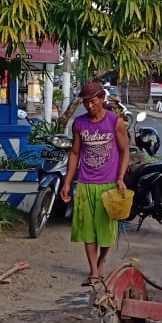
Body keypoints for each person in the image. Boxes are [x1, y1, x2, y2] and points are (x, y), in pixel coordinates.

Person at [61, 81, 130, 285]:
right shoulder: (79, 124)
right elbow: (75, 153)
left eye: (93, 101)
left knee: (106, 230)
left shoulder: (115, 122)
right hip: (85, 183)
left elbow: (125, 151)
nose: (89, 106)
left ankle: (102, 260)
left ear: (102, 99)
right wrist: (67, 182)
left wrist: (120, 178)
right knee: (88, 230)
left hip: (108, 185)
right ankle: (93, 271)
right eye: (85, 102)